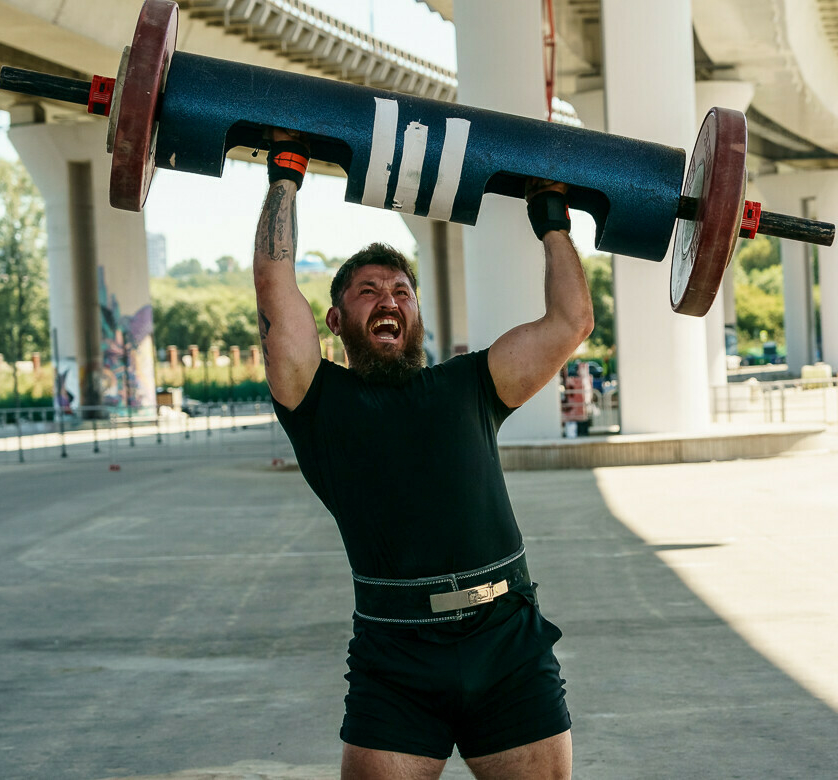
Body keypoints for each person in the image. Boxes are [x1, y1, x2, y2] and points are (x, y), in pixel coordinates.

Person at [253, 127, 593, 780]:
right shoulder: (317, 400)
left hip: (507, 642)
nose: (389, 300)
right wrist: (286, 169)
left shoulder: (471, 384)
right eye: (368, 292)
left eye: (402, 291)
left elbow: (569, 321)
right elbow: (274, 284)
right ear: (337, 321)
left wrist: (550, 214)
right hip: (396, 655)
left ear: (418, 314)